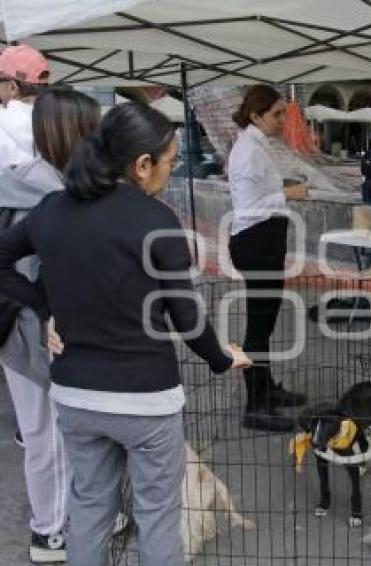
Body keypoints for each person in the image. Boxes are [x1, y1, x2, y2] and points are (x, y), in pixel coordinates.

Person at [0, 102, 252, 566]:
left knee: (90, 507)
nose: (170, 171)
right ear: (142, 164)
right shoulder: (155, 222)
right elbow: (185, 315)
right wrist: (222, 357)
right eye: (170, 162)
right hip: (145, 402)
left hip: (75, 396)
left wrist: (44, 306)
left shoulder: (52, 209)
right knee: (157, 515)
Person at [0, 46, 71, 563]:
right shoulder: (38, 136)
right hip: (42, 299)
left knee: (36, 424)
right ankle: (60, 523)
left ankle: (49, 529)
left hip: (13, 305)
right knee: (58, 420)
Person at [228, 84, 308, 433]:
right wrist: (286, 193)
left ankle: (267, 389)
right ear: (256, 115)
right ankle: (255, 405)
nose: (282, 120)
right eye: (276, 114)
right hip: (255, 242)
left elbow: (261, 191)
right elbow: (247, 207)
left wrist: (283, 189)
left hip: (264, 241)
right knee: (258, 329)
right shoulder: (247, 150)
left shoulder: (257, 145)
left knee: (265, 325)